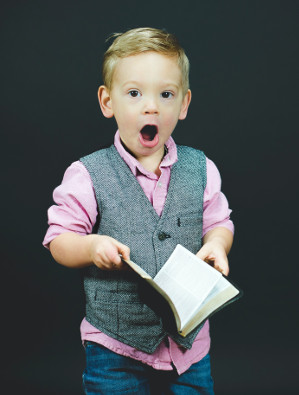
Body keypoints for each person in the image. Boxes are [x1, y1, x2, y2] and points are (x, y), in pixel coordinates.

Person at [43, 27, 234, 394]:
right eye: (134, 93)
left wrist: (218, 244)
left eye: (166, 94)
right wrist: (90, 246)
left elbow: (219, 221)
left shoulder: (201, 168)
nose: (152, 106)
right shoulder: (88, 174)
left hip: (189, 347)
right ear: (107, 101)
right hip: (115, 346)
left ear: (184, 104)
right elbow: (58, 240)